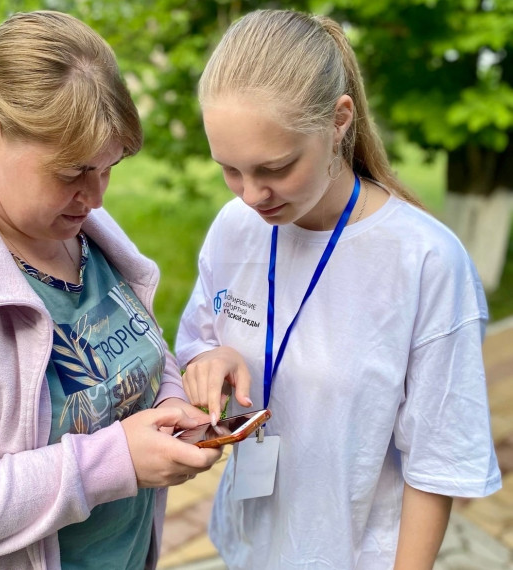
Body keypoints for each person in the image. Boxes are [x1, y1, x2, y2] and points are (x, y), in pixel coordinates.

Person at [0, 10, 221, 570]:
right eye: (72, 171)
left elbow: (128, 345)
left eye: (109, 167)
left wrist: (169, 398)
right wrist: (112, 463)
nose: (95, 196)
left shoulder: (79, 229)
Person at [176, 8, 502, 570]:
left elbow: (438, 459)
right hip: (247, 549)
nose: (252, 195)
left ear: (339, 119)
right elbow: (198, 343)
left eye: (276, 167)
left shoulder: (425, 261)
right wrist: (211, 359)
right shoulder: (235, 227)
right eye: (230, 169)